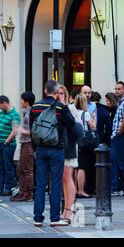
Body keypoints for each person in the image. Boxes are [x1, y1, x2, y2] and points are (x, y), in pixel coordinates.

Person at [30, 80, 75, 227]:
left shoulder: (35, 107)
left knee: (40, 184)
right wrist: (62, 103)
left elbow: (32, 130)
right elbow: (71, 123)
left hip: (41, 149)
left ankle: (37, 218)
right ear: (56, 92)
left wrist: (34, 149)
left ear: (44, 91)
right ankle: (55, 218)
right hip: (57, 149)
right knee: (55, 183)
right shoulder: (60, 107)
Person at [56, 85, 80, 223]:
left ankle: (69, 210)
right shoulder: (57, 109)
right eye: (57, 93)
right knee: (64, 179)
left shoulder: (70, 108)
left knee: (67, 178)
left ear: (65, 95)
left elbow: (78, 128)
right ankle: (66, 209)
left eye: (61, 93)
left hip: (69, 147)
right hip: (61, 147)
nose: (59, 96)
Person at [12, 91, 36, 202]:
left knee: (27, 170)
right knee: (20, 169)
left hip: (28, 144)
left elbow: (33, 131)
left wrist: (20, 130)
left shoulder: (31, 113)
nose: (20, 101)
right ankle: (22, 192)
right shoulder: (26, 112)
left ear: (26, 101)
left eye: (22, 100)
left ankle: (28, 194)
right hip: (24, 144)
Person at [0, 95, 20, 196]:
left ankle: (9, 188)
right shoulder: (1, 113)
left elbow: (14, 131)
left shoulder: (14, 115)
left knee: (8, 167)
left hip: (8, 145)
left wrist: (6, 142)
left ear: (4, 103)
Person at [110, 81, 124, 197]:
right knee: (115, 161)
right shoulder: (120, 102)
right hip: (116, 136)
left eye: (119, 89)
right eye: (116, 89)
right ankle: (118, 187)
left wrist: (118, 132)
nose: (116, 91)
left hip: (120, 136)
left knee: (122, 162)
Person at [74, 93, 96, 198]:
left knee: (75, 167)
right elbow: (92, 127)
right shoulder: (85, 114)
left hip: (75, 141)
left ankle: (74, 188)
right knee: (82, 167)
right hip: (84, 142)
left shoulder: (73, 112)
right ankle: (81, 190)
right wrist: (94, 118)